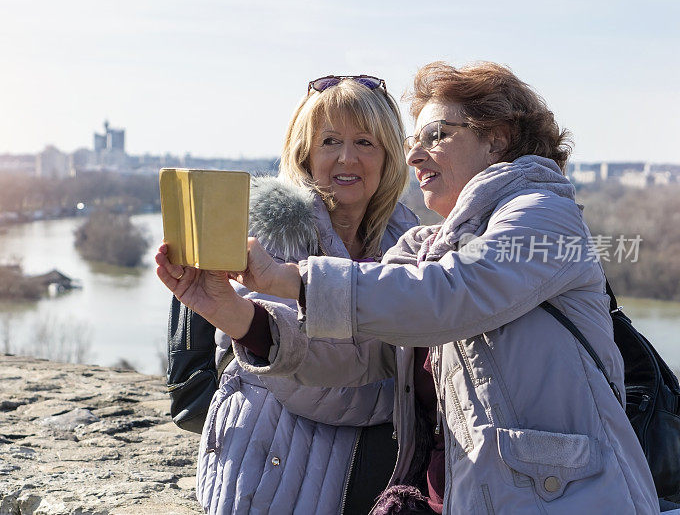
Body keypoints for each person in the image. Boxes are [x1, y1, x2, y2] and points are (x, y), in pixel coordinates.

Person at [157, 62, 661, 514]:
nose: (414, 153)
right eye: (412, 140)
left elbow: (449, 295)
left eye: (437, 134)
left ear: (498, 138)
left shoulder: (544, 218)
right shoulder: (425, 245)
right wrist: (238, 317)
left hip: (563, 498)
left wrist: (289, 280)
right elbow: (358, 353)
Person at [166, 75, 418, 514]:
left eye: (365, 142)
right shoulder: (272, 235)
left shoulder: (406, 238)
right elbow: (316, 388)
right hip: (272, 477)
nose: (347, 157)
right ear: (304, 153)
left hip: (362, 479)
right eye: (329, 141)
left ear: (389, 156)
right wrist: (399, 388)